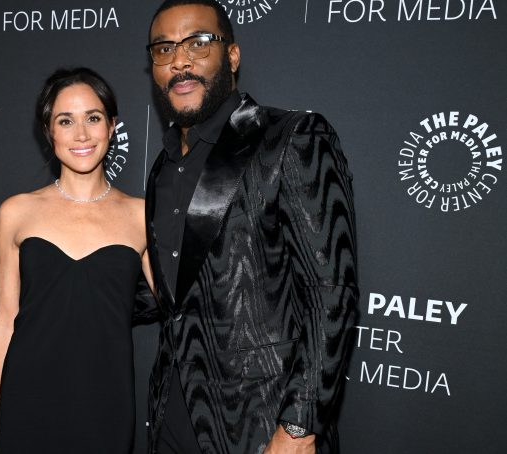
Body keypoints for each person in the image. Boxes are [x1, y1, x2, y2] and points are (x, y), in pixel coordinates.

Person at [143, 1, 359, 453]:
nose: (180, 60)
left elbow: (332, 292)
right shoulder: (164, 167)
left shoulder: (293, 137)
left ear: (233, 56)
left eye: (198, 43)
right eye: (164, 49)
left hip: (263, 426)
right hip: (173, 418)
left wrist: (299, 426)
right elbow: (177, 295)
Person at [0, 67, 153, 454]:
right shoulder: (16, 212)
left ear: (112, 125)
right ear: (49, 132)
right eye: (65, 121)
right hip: (27, 398)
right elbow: (6, 320)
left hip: (105, 405)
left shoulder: (142, 216)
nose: (81, 134)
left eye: (93, 118)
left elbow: (182, 315)